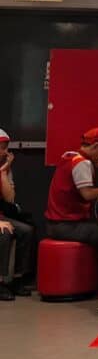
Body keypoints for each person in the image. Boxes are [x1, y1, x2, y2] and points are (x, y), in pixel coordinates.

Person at [45, 127, 98, 247]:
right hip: (67, 226)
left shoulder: (70, 156)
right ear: (96, 146)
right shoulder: (82, 163)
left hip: (55, 224)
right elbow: (87, 194)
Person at [0, 128, 34, 300]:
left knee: (26, 231)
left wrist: (3, 172)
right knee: (4, 233)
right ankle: (1, 282)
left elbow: (10, 199)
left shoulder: (4, 168)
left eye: (6, 147)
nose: (5, 152)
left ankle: (18, 279)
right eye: (2, 147)